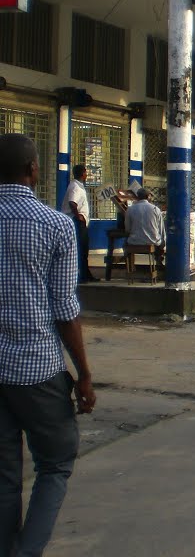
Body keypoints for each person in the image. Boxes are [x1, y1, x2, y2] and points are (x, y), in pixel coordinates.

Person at [0, 133, 96, 556]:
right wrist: (85, 375)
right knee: (55, 464)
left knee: (4, 473)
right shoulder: (55, 225)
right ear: (34, 170)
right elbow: (65, 309)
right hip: (35, 367)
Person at [60, 164, 94, 282]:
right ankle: (82, 275)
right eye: (85, 172)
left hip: (79, 221)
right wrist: (78, 215)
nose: (86, 174)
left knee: (84, 248)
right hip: (76, 222)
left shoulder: (79, 186)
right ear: (82, 173)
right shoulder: (75, 187)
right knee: (81, 248)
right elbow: (72, 203)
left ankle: (86, 273)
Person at [124, 188, 166, 266]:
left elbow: (127, 229)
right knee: (160, 242)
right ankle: (159, 262)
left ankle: (129, 266)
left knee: (125, 243)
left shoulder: (130, 209)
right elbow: (161, 229)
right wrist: (163, 244)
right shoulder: (155, 209)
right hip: (153, 242)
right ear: (148, 196)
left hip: (134, 242)